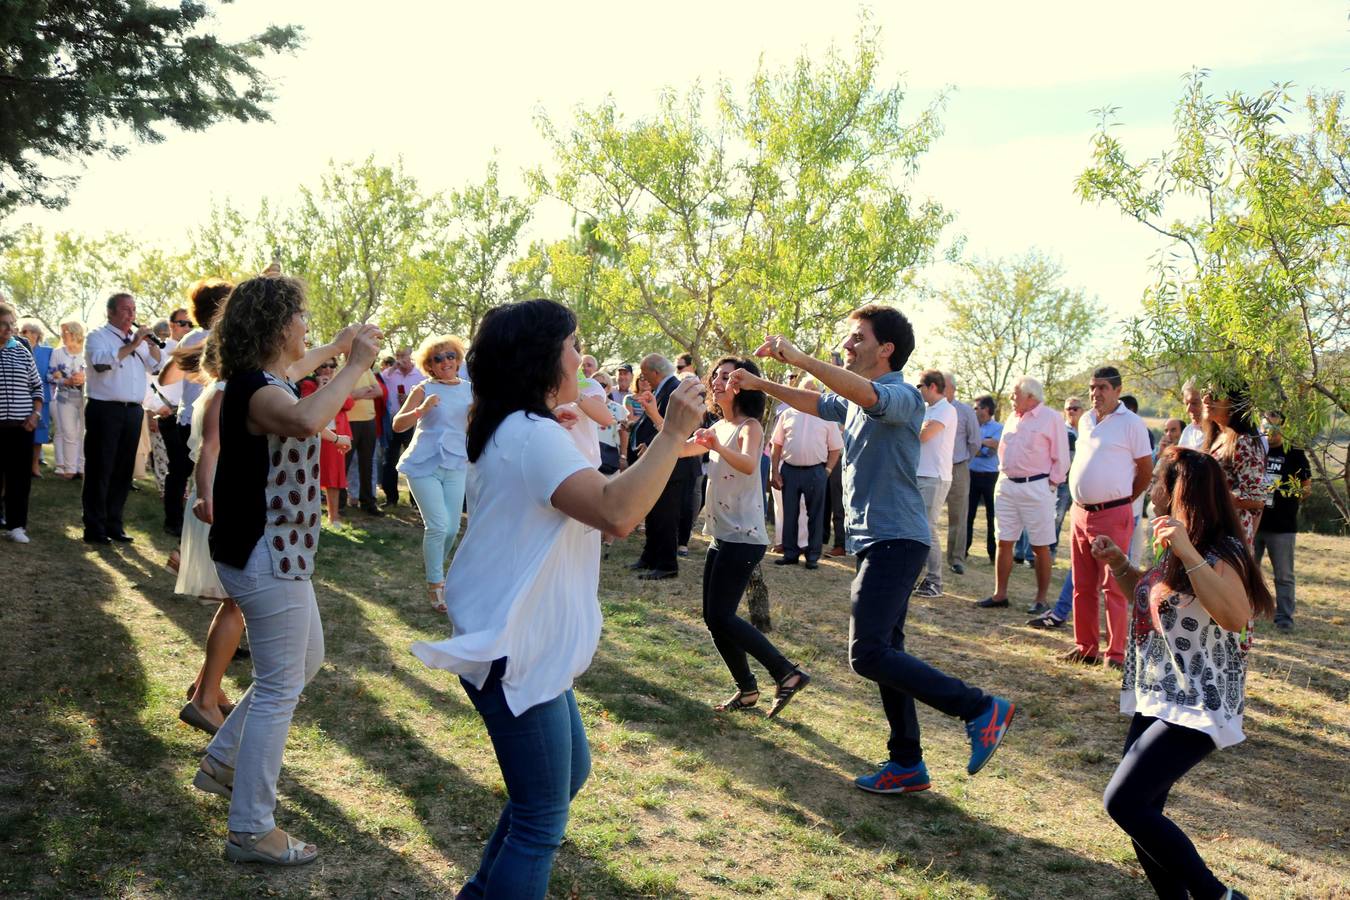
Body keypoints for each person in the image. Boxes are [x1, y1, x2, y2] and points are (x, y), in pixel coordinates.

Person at [411, 299, 706, 898]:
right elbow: (617, 513)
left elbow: (596, 496)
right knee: (541, 817)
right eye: (573, 344)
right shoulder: (530, 435)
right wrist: (673, 433)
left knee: (565, 776)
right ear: (543, 358)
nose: (580, 355)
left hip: (521, 636)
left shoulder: (520, 427)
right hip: (513, 645)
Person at [728, 305, 1014, 794]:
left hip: (897, 541)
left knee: (867, 654)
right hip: (877, 541)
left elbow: (858, 393)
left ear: (886, 349)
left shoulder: (903, 397)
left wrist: (799, 357)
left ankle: (980, 708)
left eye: (857, 337)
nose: (847, 344)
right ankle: (907, 763)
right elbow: (821, 403)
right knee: (888, 651)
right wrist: (762, 386)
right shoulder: (858, 402)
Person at [192, 274, 380, 866]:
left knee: (304, 661)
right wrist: (354, 364)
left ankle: (224, 759)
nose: (307, 327)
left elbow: (297, 380)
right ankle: (251, 829)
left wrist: (336, 349)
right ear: (276, 326)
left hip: (276, 551)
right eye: (301, 317)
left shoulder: (265, 379)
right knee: (279, 686)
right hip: (265, 552)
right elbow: (302, 420)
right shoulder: (256, 390)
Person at [1092, 446, 1270, 900]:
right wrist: (1120, 565)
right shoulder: (1177, 542)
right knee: (1144, 813)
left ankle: (1218, 896)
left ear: (1177, 491)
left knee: (1124, 802)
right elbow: (1159, 601)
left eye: (1157, 481)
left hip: (1201, 702)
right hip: (1161, 692)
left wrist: (1187, 549)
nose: (1150, 488)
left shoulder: (1222, 550)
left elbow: (1234, 616)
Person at [691, 356, 811, 715]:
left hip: (745, 536)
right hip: (723, 534)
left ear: (743, 385)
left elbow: (746, 463)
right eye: (716, 375)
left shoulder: (749, 426)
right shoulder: (719, 427)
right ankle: (747, 691)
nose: (717, 381)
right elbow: (681, 447)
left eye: (727, 377)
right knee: (714, 617)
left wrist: (714, 446)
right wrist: (655, 417)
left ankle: (786, 673)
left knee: (722, 616)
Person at [1065, 366, 1153, 668]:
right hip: (1079, 512)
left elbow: (1145, 470)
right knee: (1082, 584)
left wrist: (1125, 499)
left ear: (1117, 390)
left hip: (1112, 513)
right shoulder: (1087, 420)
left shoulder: (1132, 423)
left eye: (1102, 387)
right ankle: (1086, 647)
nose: (1095, 393)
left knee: (1113, 585)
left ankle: (1115, 654)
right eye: (1092, 387)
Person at [393, 334, 473, 612]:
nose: (446, 362)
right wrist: (420, 409)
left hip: (455, 465)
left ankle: (436, 567)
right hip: (423, 465)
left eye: (451, 356)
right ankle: (436, 583)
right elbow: (397, 425)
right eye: (438, 359)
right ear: (430, 365)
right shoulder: (423, 389)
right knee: (438, 525)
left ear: (458, 359)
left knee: (451, 528)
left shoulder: (470, 390)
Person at [978, 376, 1068, 612]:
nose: (1011, 397)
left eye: (1015, 393)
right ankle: (1000, 594)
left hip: (1036, 486)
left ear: (1031, 396)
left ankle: (1040, 600)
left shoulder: (1051, 418)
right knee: (1003, 540)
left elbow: (1062, 457)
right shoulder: (1012, 417)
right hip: (1007, 484)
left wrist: (1050, 486)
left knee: (1040, 546)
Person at [82, 292, 163, 545]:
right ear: (111, 312)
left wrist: (150, 346)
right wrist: (133, 344)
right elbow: (100, 364)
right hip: (105, 410)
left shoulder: (137, 342)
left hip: (132, 411)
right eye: (126, 310)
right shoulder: (98, 336)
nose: (131, 315)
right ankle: (94, 528)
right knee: (100, 468)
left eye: (134, 310)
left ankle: (114, 524)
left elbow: (155, 368)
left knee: (123, 471)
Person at [628, 353, 700, 579]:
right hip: (661, 461)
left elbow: (675, 428)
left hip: (675, 464)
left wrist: (650, 445)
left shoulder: (674, 390)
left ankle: (667, 564)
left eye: (646, 374)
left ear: (656, 372)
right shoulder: (663, 389)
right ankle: (649, 556)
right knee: (654, 512)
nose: (644, 378)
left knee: (666, 515)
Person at [769, 378, 843, 570]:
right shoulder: (787, 414)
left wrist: (826, 470)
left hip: (816, 471)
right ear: (798, 392)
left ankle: (812, 556)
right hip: (790, 470)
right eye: (805, 390)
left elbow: (836, 448)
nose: (809, 393)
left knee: (815, 516)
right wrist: (774, 470)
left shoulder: (827, 417)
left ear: (819, 393)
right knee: (790, 514)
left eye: (813, 390)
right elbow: (776, 445)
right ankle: (790, 553)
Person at [1253, 421, 1310, 631]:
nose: (1270, 432)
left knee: (1284, 575)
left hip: (1283, 526)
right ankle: (1247, 612)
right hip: (1254, 521)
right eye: (1266, 427)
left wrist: (1283, 492)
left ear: (1284, 428)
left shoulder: (1294, 453)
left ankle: (1284, 618)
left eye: (1276, 427)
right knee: (1248, 570)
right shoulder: (1255, 448)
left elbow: (1306, 489)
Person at [1201, 384, 1266, 546]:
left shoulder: (1244, 442)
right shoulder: (1216, 436)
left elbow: (1256, 498)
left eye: (1215, 395)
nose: (1206, 399)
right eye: (1205, 393)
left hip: (1230, 537)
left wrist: (1214, 496)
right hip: (1211, 531)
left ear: (1234, 403)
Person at [1, 302, 43, 543]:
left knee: (19, 478)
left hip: (22, 426)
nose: (9, 329)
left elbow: (37, 387)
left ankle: (17, 526)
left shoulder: (22, 351)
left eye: (11, 324)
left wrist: (35, 414)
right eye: (4, 324)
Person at [914, 370, 957, 598]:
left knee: (927, 528)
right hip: (921, 474)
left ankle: (935, 582)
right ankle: (918, 576)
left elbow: (924, 434)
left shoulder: (946, 409)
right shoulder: (928, 410)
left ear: (931, 386)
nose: (917, 390)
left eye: (920, 385)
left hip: (935, 477)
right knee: (918, 528)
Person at [943, 372, 981, 575]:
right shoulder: (929, 409)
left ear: (953, 389)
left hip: (958, 468)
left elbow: (975, 442)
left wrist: (963, 461)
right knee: (925, 513)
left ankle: (956, 558)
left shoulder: (965, 411)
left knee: (958, 516)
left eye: (944, 385)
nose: (939, 388)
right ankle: (922, 556)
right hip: (933, 468)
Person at [380, 345, 426, 506]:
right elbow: (381, 378)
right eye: (397, 355)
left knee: (415, 460)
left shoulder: (420, 374)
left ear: (410, 355)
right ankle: (391, 498)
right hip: (393, 422)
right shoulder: (390, 374)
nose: (400, 358)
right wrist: (394, 368)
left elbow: (427, 397)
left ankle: (416, 501)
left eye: (403, 355)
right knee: (389, 461)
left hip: (413, 422)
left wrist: (410, 398)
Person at [311, 361, 353, 526]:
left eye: (332, 365)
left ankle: (333, 516)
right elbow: (308, 404)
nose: (328, 369)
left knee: (334, 476)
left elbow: (349, 404)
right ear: (317, 369)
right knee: (312, 474)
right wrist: (321, 388)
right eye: (323, 366)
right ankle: (312, 516)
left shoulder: (340, 384)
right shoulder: (307, 383)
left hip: (336, 435)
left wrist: (333, 389)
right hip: (314, 434)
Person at [966, 394, 1002, 565]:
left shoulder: (998, 427)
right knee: (968, 515)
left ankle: (993, 555)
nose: (974, 410)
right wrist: (982, 443)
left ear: (986, 409)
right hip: (971, 475)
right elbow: (971, 448)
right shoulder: (972, 426)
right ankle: (963, 551)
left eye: (976, 407)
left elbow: (991, 451)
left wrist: (976, 444)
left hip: (991, 478)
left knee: (992, 517)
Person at [49, 320, 87, 478]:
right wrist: (66, 381)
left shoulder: (88, 352)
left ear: (75, 333)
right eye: (62, 332)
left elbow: (98, 374)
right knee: (69, 433)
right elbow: (50, 375)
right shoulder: (58, 353)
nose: (62, 335)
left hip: (86, 398)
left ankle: (83, 467)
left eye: (65, 332)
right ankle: (70, 469)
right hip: (64, 398)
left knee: (85, 433)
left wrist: (84, 378)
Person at [18, 322, 52, 477]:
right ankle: (20, 466)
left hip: (42, 397)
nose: (25, 334)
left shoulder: (48, 352)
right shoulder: (16, 350)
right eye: (23, 331)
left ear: (38, 334)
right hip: (20, 398)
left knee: (39, 434)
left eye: (29, 331)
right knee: (20, 432)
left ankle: (34, 466)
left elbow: (54, 372)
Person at [1178, 380, 1206, 450]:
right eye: (1186, 404)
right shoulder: (1188, 431)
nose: (1188, 409)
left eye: (1194, 403)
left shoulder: (1222, 432)